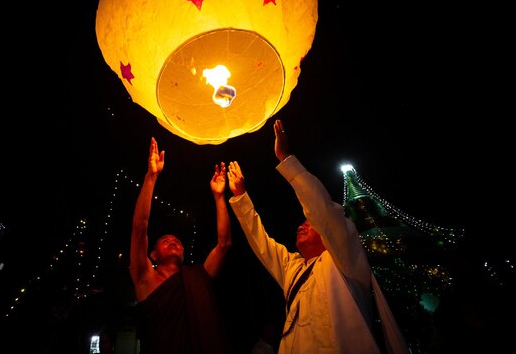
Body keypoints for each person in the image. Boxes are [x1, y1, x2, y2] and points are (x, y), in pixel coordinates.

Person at [227, 120, 409, 354]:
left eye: (308, 224)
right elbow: (259, 240)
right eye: (302, 224)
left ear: (326, 235)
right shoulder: (291, 268)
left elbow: (322, 210)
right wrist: (241, 196)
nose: (301, 227)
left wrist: (286, 159)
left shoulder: (344, 262)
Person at [130, 137, 233, 354]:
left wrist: (219, 197)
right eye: (165, 241)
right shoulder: (145, 279)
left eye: (176, 241)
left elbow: (224, 244)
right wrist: (151, 177)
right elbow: (140, 229)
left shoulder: (197, 277)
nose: (173, 241)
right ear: (154, 255)